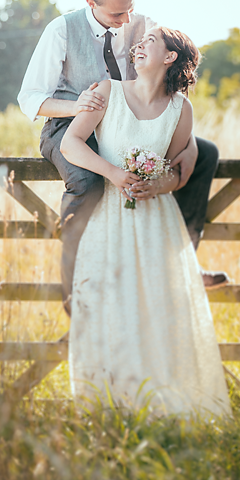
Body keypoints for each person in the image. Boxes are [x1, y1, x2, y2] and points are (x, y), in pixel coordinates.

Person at [17, 0, 228, 316]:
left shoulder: (143, 24)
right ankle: (74, 285)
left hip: (128, 124)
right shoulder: (62, 30)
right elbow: (30, 99)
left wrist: (186, 143)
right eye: (118, 12)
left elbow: (166, 76)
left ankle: (184, 259)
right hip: (68, 123)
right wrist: (76, 105)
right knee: (87, 181)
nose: (127, 18)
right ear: (91, 3)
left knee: (205, 153)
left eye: (130, 7)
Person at [59, 26, 230, 415]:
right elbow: (71, 144)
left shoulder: (180, 109)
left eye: (150, 42)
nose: (139, 45)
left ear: (170, 57)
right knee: (109, 307)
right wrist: (115, 174)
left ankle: (161, 405)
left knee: (157, 308)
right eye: (140, 42)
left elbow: (175, 171)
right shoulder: (106, 92)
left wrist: (157, 186)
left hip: (156, 220)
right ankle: (107, 407)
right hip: (109, 219)